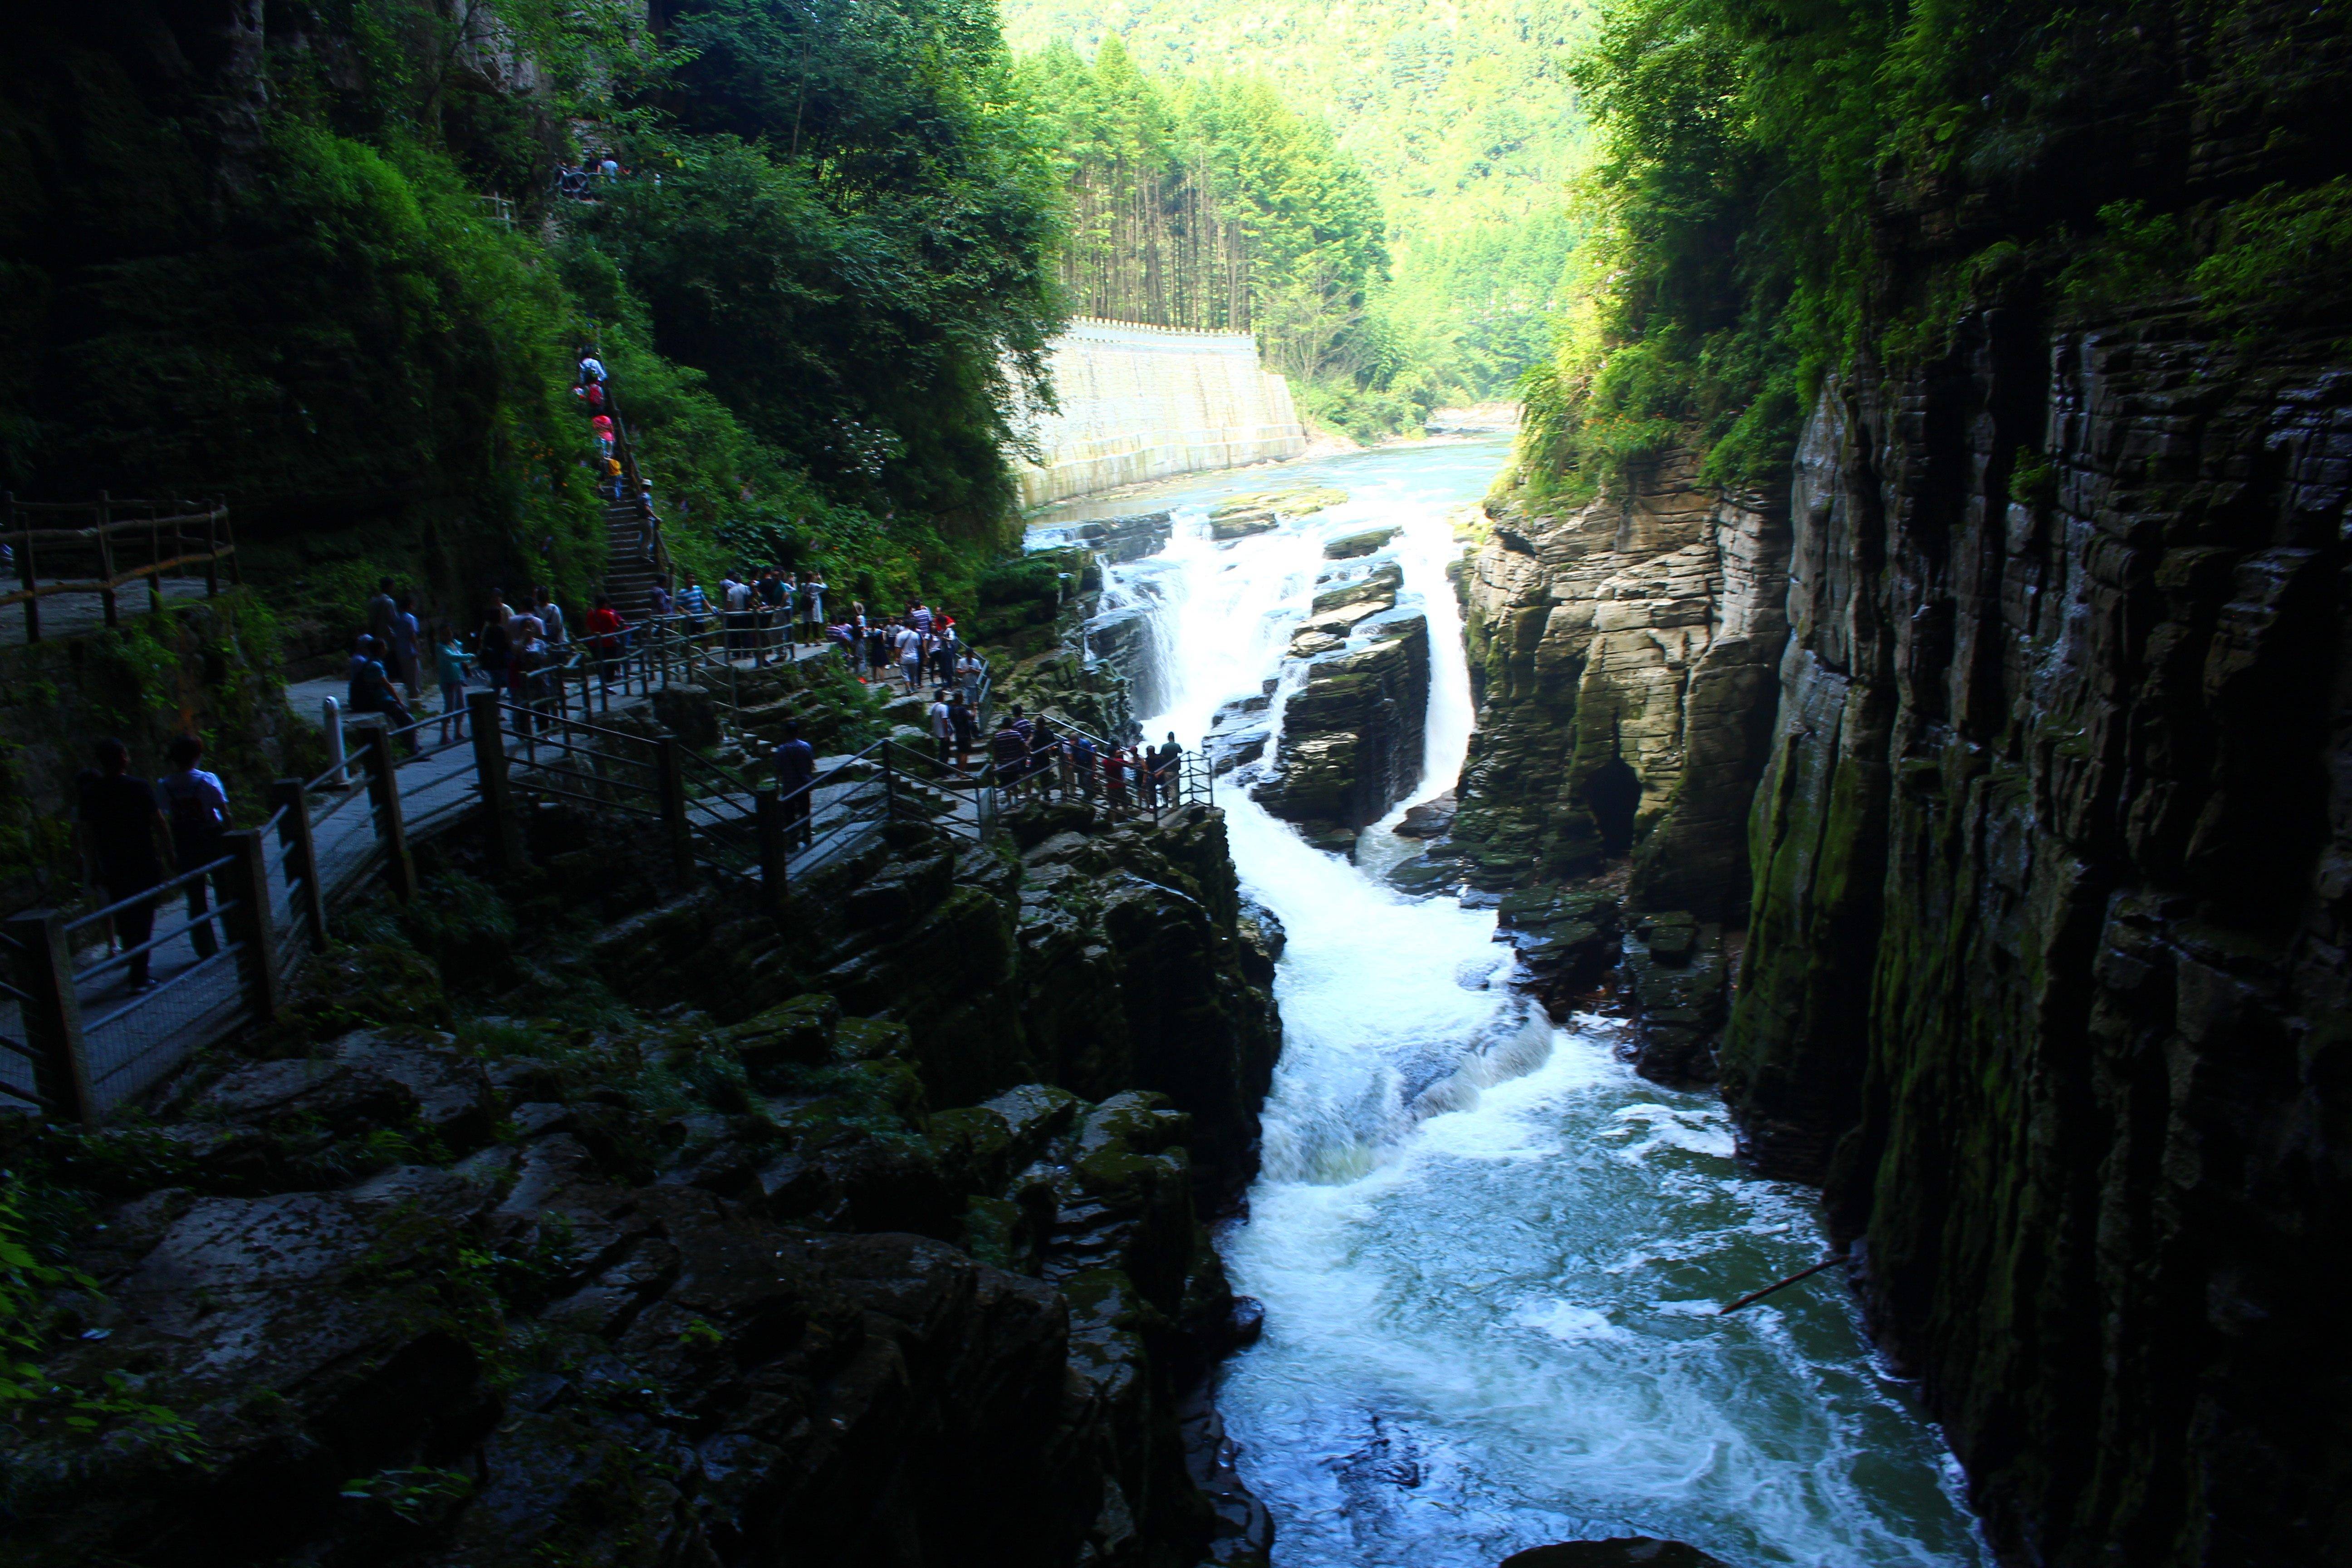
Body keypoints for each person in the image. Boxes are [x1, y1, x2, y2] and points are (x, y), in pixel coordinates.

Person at [78, 740, 169, 995]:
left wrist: (94, 865)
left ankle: (135, 963)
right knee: (144, 915)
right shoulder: (138, 787)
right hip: (142, 860)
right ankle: (140, 974)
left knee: (125, 915)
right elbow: (158, 822)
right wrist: (169, 853)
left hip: (112, 863)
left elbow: (87, 835)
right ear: (122, 757)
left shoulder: (91, 792)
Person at [157, 734, 230, 960]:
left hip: (185, 841)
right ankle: (235, 936)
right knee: (225, 890)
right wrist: (232, 839)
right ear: (197, 756)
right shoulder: (208, 780)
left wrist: (170, 851)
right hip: (212, 838)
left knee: (196, 898)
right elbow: (225, 814)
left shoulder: (165, 785)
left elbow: (165, 816)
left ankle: (205, 948)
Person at [771, 719, 817, 848]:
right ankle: (807, 838)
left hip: (789, 787)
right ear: (798, 732)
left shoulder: (781, 750)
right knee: (805, 812)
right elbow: (811, 765)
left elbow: (778, 770)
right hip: (803, 785)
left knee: (790, 816)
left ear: (786, 733)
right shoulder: (806, 746)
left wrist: (777, 784)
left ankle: (793, 842)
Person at [435, 625, 472, 742]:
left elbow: (460, 657)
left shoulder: (455, 643)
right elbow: (452, 657)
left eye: (449, 633)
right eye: (444, 634)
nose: (447, 636)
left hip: (458, 679)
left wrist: (467, 660)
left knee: (461, 706)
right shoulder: (441, 647)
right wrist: (469, 656)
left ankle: (458, 732)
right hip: (448, 680)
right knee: (449, 708)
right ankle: (444, 735)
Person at [585, 594, 627, 680]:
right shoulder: (607, 614)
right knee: (610, 663)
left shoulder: (590, 614)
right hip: (608, 643)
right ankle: (609, 682)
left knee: (599, 664)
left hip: (594, 643)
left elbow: (588, 627)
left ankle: (603, 683)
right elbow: (616, 627)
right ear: (605, 604)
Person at [989, 714, 1029, 797]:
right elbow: (1025, 746)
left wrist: (993, 763)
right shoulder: (1016, 734)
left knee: (1007, 785)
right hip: (1014, 764)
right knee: (1015, 783)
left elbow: (995, 751)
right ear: (1011, 724)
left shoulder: (998, 736)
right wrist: (1029, 753)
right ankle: (1016, 802)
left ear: (1003, 725)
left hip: (1003, 766)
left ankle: (1010, 803)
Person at [948, 690, 979, 772]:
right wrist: (975, 708)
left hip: (958, 732)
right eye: (962, 698)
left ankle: (959, 771)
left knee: (960, 752)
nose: (963, 700)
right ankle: (962, 772)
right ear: (959, 699)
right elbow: (972, 717)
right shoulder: (961, 709)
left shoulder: (951, 708)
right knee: (964, 753)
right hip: (965, 733)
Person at [928, 688, 955, 767]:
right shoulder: (943, 707)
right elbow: (945, 720)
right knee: (945, 753)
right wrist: (947, 733)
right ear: (942, 697)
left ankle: (943, 770)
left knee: (942, 752)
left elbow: (933, 720)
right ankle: (943, 771)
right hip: (944, 734)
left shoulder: (933, 707)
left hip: (938, 733)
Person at [799, 568, 826, 646]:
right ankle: (817, 640)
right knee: (815, 623)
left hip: (805, 606)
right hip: (814, 606)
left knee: (806, 623)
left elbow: (808, 585)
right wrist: (820, 579)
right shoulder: (815, 586)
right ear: (812, 578)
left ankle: (806, 640)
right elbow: (824, 587)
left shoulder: (803, 585)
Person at [1102, 746, 1131, 818]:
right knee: (1124, 802)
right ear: (1114, 753)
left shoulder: (1105, 761)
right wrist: (1127, 754)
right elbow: (1132, 763)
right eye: (1117, 751)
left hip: (1110, 785)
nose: (1118, 752)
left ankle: (1113, 821)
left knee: (1113, 804)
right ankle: (1127, 817)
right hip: (1120, 784)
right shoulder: (1119, 761)